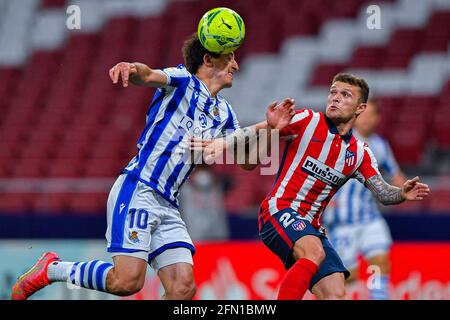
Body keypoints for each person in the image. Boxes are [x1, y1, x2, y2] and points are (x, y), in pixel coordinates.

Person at [10, 33, 295, 300]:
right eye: (229, 56)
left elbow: (247, 161)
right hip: (140, 188)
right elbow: (147, 75)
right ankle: (52, 269)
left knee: (183, 288)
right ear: (208, 60)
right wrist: (130, 67)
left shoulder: (224, 112)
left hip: (169, 205)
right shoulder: (183, 80)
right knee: (127, 282)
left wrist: (269, 129)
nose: (235, 63)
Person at [256, 73, 430, 300]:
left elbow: (384, 190)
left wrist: (402, 193)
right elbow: (254, 149)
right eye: (333, 93)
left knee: (338, 291)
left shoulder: (366, 150)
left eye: (345, 95)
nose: (335, 98)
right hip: (299, 213)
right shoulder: (310, 121)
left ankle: (379, 297)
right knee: (318, 255)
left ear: (362, 109)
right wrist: (242, 138)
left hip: (356, 220)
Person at [322, 98, 406, 299]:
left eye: (371, 115)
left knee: (379, 262)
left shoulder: (381, 146)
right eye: (363, 115)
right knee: (346, 277)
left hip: (370, 218)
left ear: (377, 118)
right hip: (341, 222)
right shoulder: (340, 140)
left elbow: (396, 174)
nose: (366, 119)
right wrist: (324, 196)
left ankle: (379, 296)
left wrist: (403, 186)